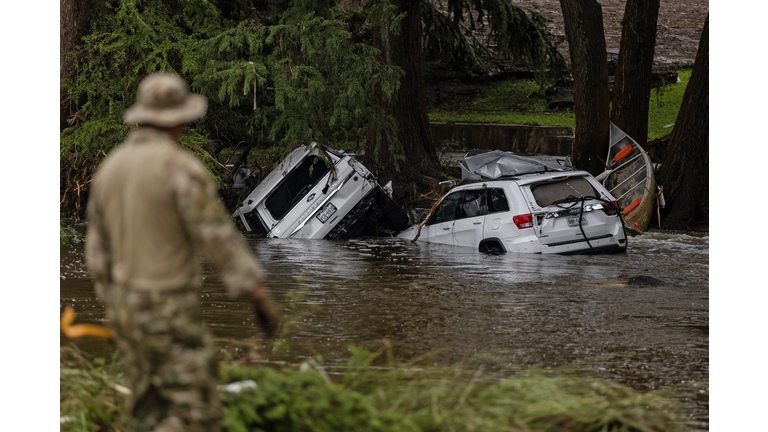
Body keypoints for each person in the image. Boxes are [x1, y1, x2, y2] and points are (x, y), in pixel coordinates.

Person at [85, 72, 280, 432]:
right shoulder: (180, 168)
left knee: (147, 404)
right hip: (167, 306)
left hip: (124, 307)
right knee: (195, 409)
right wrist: (256, 292)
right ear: (178, 120)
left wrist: (114, 302)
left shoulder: (109, 169)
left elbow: (96, 253)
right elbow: (217, 237)